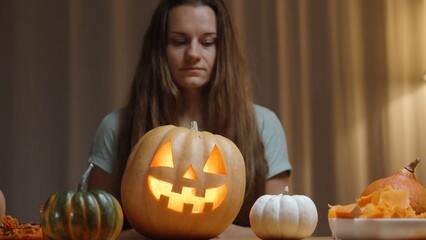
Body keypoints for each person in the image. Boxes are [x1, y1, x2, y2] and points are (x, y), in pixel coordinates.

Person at [87, 0, 292, 238]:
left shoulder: (264, 125)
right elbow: (95, 232)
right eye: (179, 41)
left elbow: (279, 232)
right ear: (160, 49)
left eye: (207, 42)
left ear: (222, 49)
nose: (193, 54)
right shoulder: (115, 127)